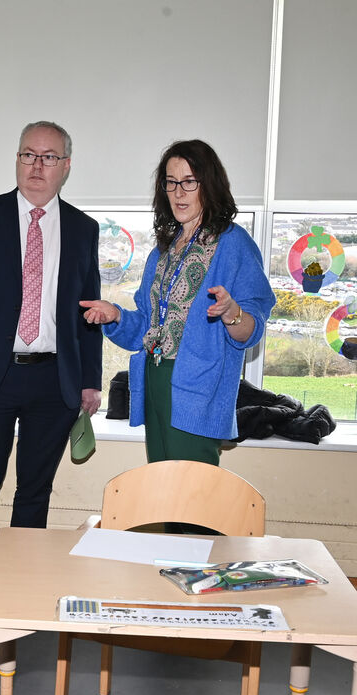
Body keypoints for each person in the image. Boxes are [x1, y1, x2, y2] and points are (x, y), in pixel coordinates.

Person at [0, 121, 103, 622]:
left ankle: (19, 581)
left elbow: (89, 310)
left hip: (54, 380)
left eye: (49, 157)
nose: (37, 165)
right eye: (29, 154)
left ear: (66, 166)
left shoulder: (84, 229)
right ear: (17, 159)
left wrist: (90, 379)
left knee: (34, 490)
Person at [81, 139, 274, 466]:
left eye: (189, 182)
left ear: (209, 184)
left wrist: (232, 312)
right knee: (162, 488)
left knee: (191, 492)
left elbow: (251, 331)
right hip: (155, 379)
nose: (179, 193)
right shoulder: (163, 249)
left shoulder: (233, 243)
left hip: (198, 390)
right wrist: (115, 316)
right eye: (171, 183)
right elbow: (147, 327)